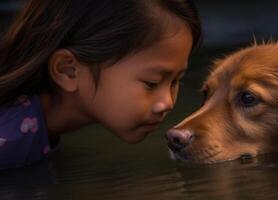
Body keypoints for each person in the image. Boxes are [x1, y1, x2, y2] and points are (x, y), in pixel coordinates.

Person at [0, 0, 201, 169]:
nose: (167, 103)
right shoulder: (9, 140)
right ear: (68, 71)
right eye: (152, 83)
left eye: (175, 81)